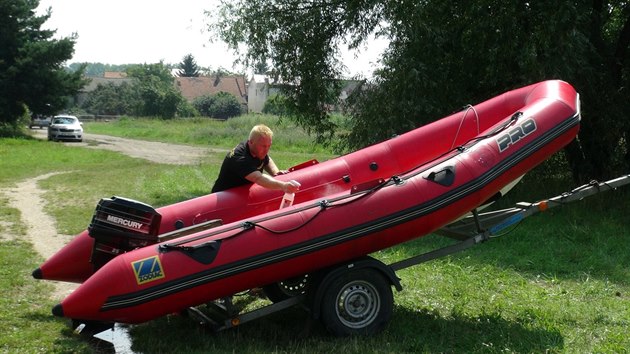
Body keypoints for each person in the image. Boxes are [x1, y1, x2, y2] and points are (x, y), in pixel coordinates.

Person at [211, 124, 300, 193]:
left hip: (239, 194)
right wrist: (283, 186)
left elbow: (267, 160)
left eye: (269, 146)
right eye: (263, 146)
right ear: (251, 142)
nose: (266, 150)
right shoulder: (240, 157)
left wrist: (276, 173)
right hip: (223, 198)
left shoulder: (257, 150)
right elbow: (258, 178)